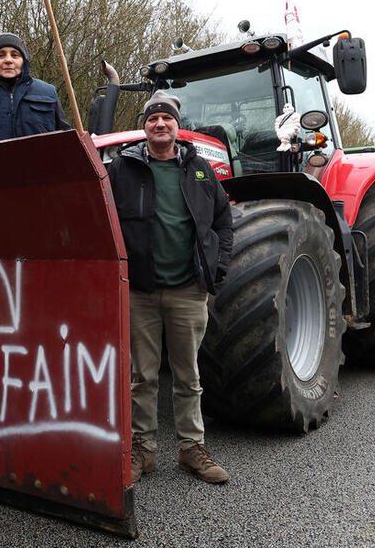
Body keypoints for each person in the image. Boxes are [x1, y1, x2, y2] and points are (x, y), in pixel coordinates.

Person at [107, 91, 233, 484]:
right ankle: (143, 451)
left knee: (187, 376)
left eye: (166, 118)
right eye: (152, 119)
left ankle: (191, 449)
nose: (159, 124)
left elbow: (223, 223)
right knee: (142, 377)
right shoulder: (122, 170)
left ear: (178, 126)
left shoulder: (199, 170)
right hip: (140, 291)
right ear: (144, 127)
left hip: (187, 290)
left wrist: (218, 266)